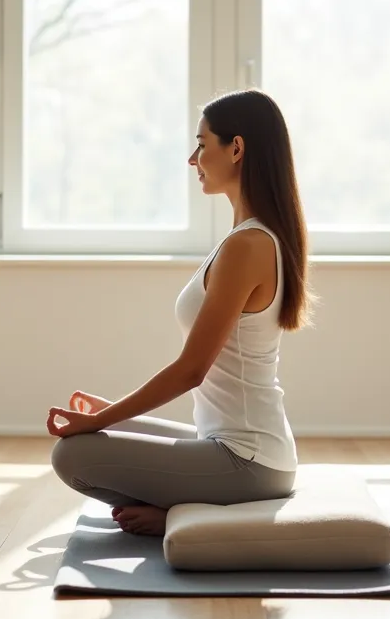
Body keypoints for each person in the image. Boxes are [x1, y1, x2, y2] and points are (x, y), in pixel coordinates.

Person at [46, 89, 313, 536]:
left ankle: (192, 511)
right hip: (234, 447)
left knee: (72, 456)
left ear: (236, 148)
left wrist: (101, 420)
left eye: (202, 143)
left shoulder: (248, 246)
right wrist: (109, 413)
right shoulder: (250, 238)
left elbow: (191, 370)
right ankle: (191, 504)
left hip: (248, 462)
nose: (193, 159)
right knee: (94, 432)